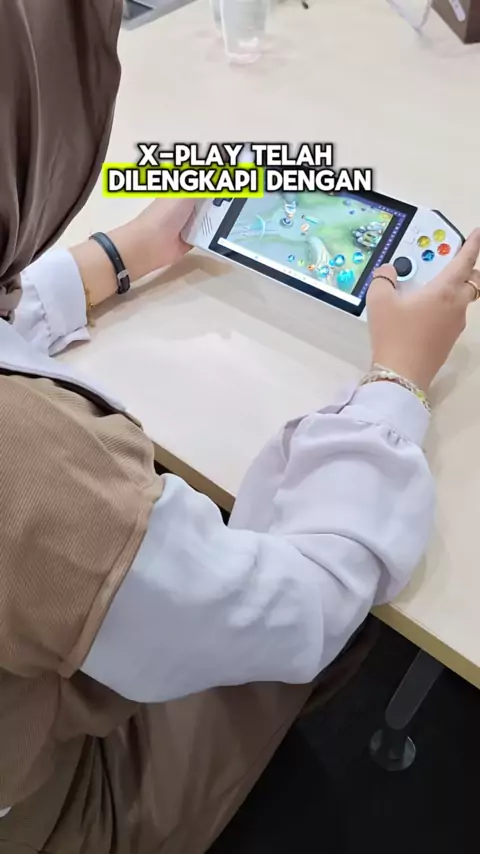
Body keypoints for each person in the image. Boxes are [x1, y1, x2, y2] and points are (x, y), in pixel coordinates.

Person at [1, 2, 480, 852]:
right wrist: (395, 380)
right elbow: (298, 604)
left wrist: (118, 255)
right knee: (345, 603)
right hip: (60, 813)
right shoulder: (34, 463)